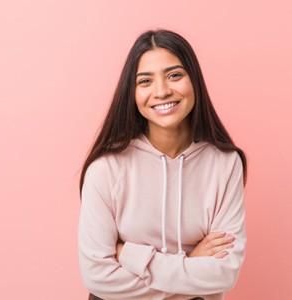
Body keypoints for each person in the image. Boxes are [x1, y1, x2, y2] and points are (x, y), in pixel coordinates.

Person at [78, 29, 247, 300]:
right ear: (131, 92)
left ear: (194, 80)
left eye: (175, 75)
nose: (162, 91)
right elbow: (97, 277)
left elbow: (225, 273)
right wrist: (192, 265)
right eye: (145, 81)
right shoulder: (106, 169)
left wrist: (130, 255)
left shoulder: (225, 164)